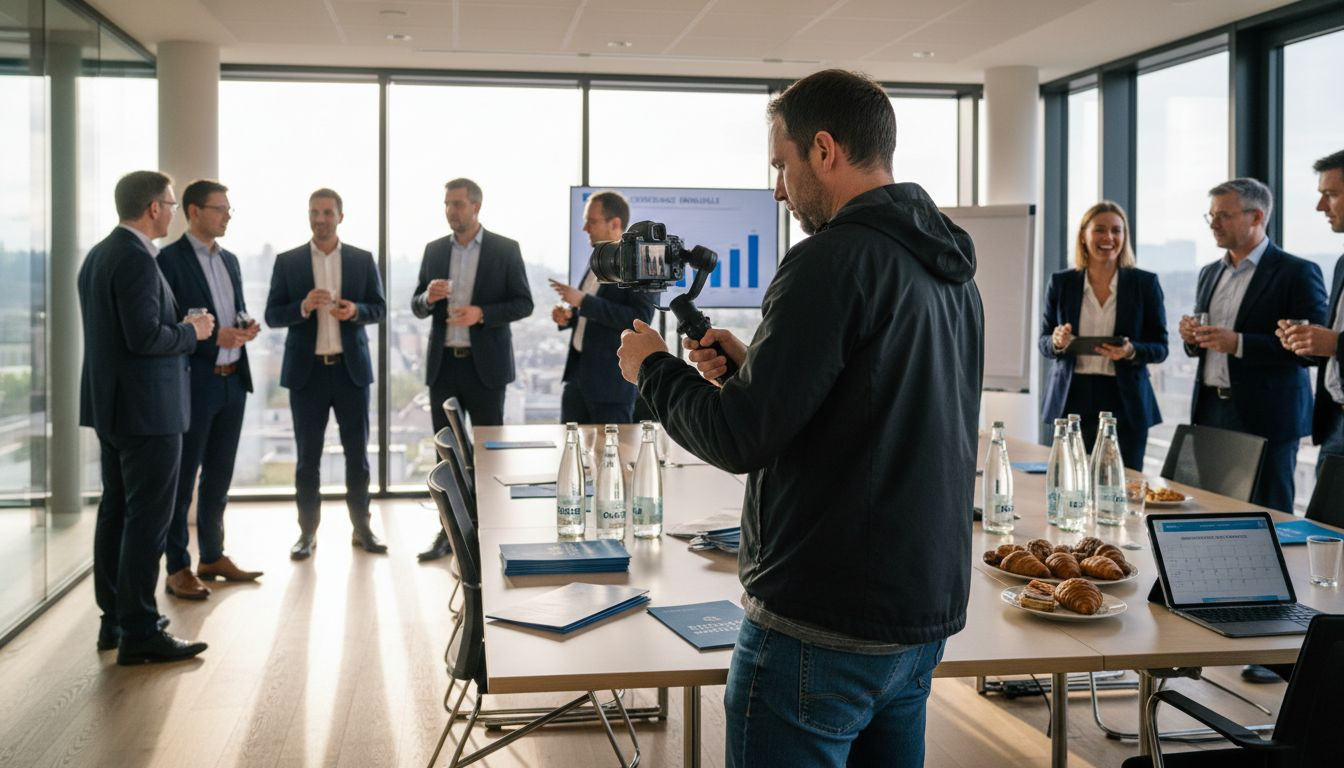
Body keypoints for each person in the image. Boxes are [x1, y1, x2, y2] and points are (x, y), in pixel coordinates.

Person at [617, 69, 983, 768]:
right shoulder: (949, 267)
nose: (780, 190)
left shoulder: (828, 260)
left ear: (823, 151)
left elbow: (739, 436)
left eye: (781, 167)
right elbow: (881, 400)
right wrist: (761, 361)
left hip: (820, 624)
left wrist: (652, 369)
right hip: (914, 624)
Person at [79, 170, 212, 664]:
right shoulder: (135, 259)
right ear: (153, 208)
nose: (174, 212)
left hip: (112, 409)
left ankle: (113, 620)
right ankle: (140, 629)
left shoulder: (99, 254)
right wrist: (192, 331)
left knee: (116, 514)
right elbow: (145, 338)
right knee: (146, 522)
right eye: (172, 204)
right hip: (148, 412)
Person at [1178, 177, 1326, 515]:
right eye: (1211, 216)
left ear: (1257, 217)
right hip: (1210, 410)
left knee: (1268, 515)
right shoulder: (1208, 273)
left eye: (1224, 216)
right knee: (1209, 512)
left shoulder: (1296, 272)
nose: (1214, 224)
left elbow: (1311, 351)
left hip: (1268, 416)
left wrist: (1240, 344)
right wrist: (1192, 338)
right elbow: (1206, 346)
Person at [411, 178, 532, 562]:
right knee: (445, 456)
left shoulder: (505, 249)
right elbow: (416, 305)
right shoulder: (433, 251)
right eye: (447, 204)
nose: (451, 211)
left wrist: (483, 314)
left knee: (486, 454)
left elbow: (523, 303)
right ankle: (449, 532)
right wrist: (427, 298)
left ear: (476, 206)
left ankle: (488, 528)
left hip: (486, 369)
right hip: (443, 364)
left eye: (458, 204)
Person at [265, 188, 387, 560]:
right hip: (308, 375)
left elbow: (378, 309)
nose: (320, 219)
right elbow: (272, 315)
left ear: (340, 217)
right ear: (308, 216)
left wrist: (355, 311)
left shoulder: (362, 259)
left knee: (358, 457)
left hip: (351, 373)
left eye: (327, 213)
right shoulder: (288, 262)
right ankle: (306, 533)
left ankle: (362, 528)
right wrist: (302, 306)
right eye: (314, 213)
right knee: (307, 459)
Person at [156, 179, 263, 599]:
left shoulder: (231, 260)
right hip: (195, 385)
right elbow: (170, 325)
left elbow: (230, 309)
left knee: (219, 478)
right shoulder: (168, 261)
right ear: (194, 211)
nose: (227, 215)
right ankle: (178, 566)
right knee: (183, 483)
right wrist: (212, 339)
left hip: (233, 381)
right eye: (220, 208)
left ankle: (213, 556)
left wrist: (243, 325)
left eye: (229, 209)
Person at [1040, 201, 1167, 469]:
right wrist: (1057, 341)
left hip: (1125, 401)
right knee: (1071, 482)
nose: (1109, 238)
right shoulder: (1062, 283)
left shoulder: (1144, 284)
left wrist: (1131, 350)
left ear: (1124, 237)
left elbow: (1160, 346)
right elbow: (1043, 341)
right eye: (1099, 230)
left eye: (1116, 231)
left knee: (1124, 485)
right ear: (1084, 236)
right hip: (1073, 397)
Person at [550, 190, 655, 423]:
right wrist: (570, 316)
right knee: (573, 453)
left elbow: (640, 318)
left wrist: (583, 301)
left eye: (592, 221)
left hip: (610, 386)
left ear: (615, 223)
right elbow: (592, 314)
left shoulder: (642, 263)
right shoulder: (598, 258)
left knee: (611, 456)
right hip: (577, 379)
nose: (585, 228)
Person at [1280, 149, 1344, 466]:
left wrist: (1335, 343)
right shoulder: (1342, 264)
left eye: (1330, 195)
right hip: (1335, 424)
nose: (1321, 207)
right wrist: (1309, 341)